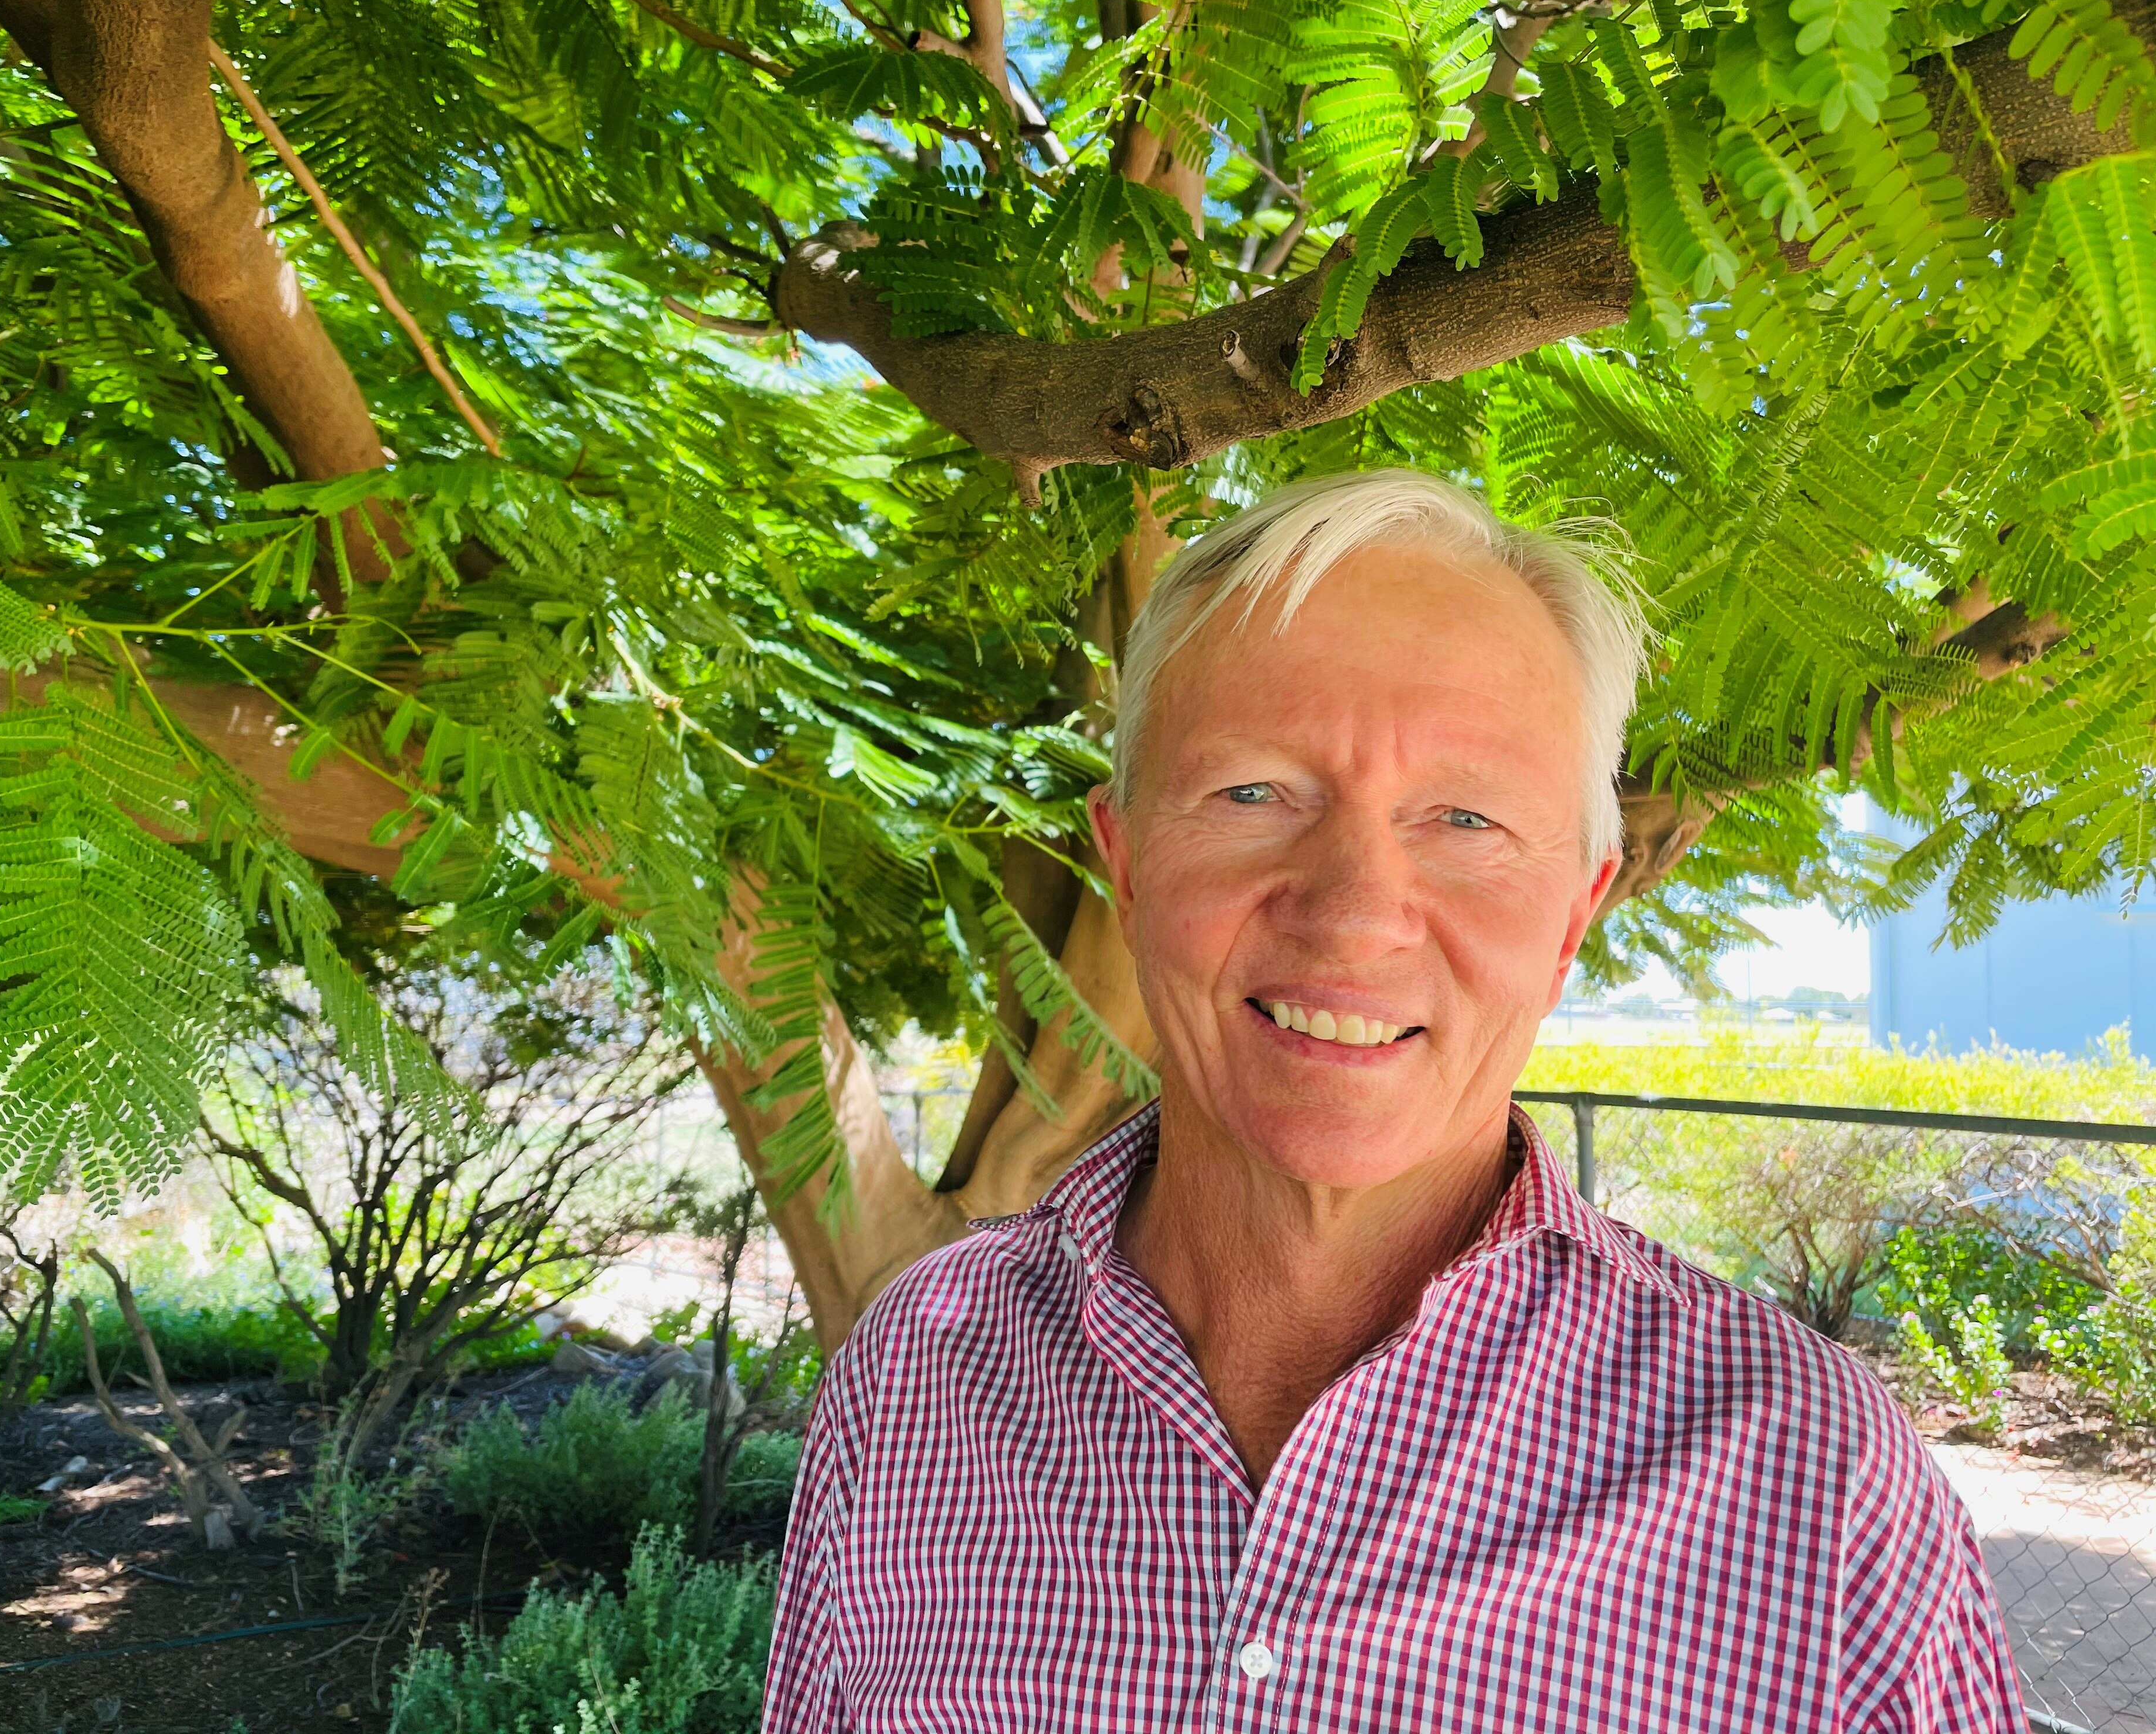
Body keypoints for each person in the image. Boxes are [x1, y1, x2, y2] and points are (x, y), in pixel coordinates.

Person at [762, 469, 2025, 1732]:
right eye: (1254, 793)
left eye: (1466, 818)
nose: (1356, 912)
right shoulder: (916, 1370)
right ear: (1129, 865)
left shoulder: (1815, 1484)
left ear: (1575, 915)